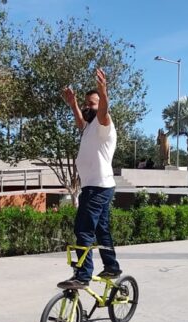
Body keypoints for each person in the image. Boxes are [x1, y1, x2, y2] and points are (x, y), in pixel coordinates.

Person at [58, 68, 122, 289]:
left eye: (91, 103)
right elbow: (79, 121)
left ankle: (83, 275)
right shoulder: (88, 128)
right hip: (98, 186)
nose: (88, 106)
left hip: (97, 187)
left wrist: (103, 92)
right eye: (87, 103)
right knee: (101, 228)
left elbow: (103, 109)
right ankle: (112, 266)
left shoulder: (104, 124)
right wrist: (73, 103)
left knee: (83, 229)